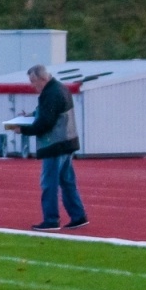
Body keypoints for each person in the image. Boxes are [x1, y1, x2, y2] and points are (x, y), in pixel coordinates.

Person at [17, 65, 88, 231]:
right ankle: (78, 216)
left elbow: (46, 122)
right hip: (67, 142)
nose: (32, 85)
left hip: (55, 144)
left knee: (49, 183)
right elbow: (47, 114)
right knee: (67, 182)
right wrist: (30, 117)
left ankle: (51, 219)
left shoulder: (50, 94)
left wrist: (23, 129)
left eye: (33, 81)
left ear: (42, 79)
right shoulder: (60, 89)